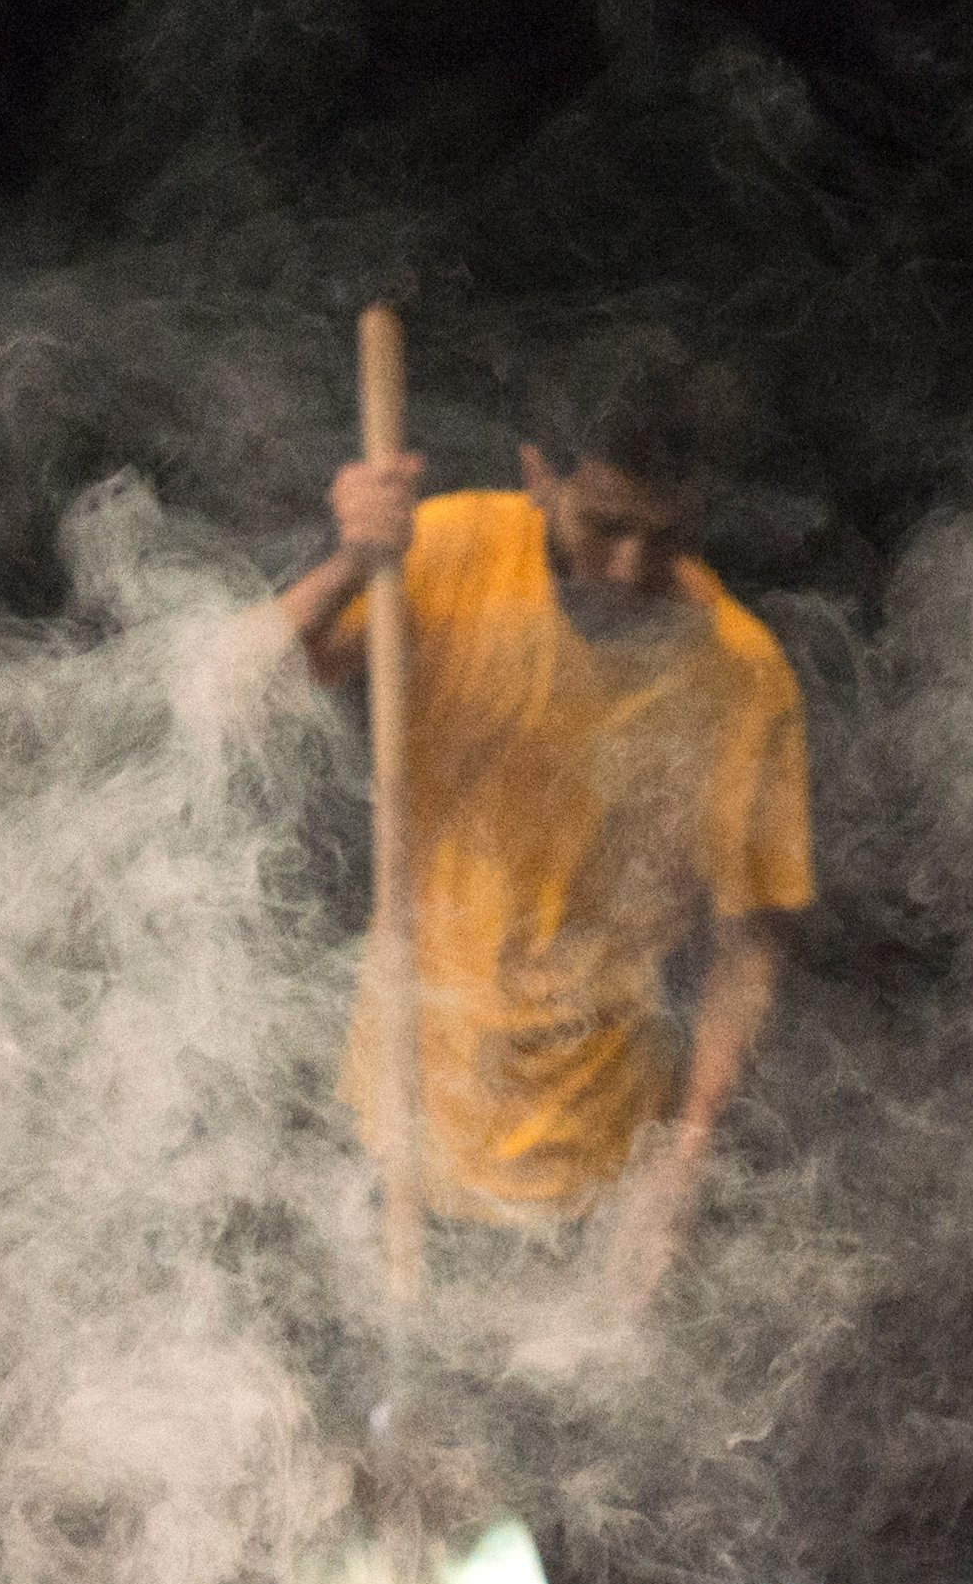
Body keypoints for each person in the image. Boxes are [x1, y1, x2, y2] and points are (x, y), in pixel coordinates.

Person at [269, 332, 810, 1304]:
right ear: (536, 477)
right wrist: (349, 563)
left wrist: (681, 1161)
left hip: (590, 1148)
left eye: (666, 534)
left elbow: (750, 942)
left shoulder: (740, 673)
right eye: (604, 525)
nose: (629, 565)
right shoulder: (445, 549)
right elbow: (242, 690)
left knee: (549, 1429)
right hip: (394, 1107)